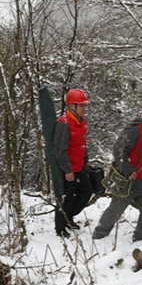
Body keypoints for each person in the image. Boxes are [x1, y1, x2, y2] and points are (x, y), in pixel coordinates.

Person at [93, 100, 142, 242]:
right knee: (116, 209)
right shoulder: (135, 130)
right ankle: (99, 234)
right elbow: (119, 149)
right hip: (129, 181)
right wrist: (127, 170)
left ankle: (140, 235)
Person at [53, 89, 93, 238]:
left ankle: (69, 218)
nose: (84, 108)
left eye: (84, 105)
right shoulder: (64, 123)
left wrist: (86, 160)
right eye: (81, 105)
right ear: (71, 106)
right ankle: (60, 227)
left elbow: (82, 144)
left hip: (79, 167)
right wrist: (67, 170)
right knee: (66, 199)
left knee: (86, 192)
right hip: (68, 169)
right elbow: (60, 150)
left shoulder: (81, 122)